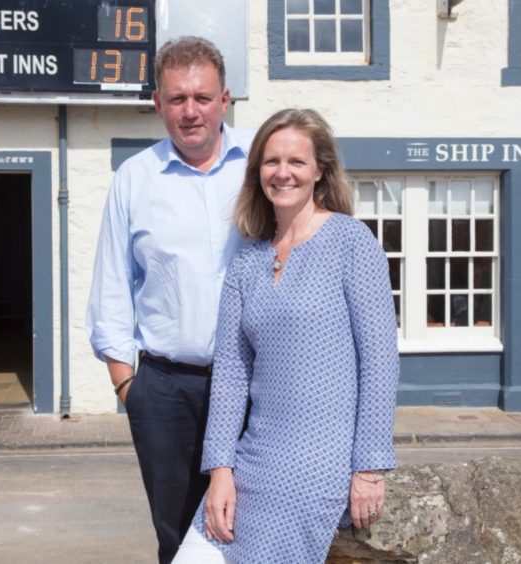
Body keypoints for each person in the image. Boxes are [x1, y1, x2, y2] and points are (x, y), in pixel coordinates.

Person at [172, 108, 400, 563]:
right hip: (251, 460)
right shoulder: (247, 262)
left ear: (320, 170)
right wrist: (220, 472)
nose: (283, 173)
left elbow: (380, 360)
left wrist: (370, 467)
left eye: (296, 161)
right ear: (257, 173)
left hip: (318, 466)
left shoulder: (352, 243)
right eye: (271, 161)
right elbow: (232, 377)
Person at [86, 36, 253, 564]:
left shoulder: (260, 166)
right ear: (158, 103)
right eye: (176, 99)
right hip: (164, 390)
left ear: (224, 99)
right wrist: (127, 386)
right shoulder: (134, 179)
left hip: (255, 383)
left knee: (256, 526)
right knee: (179, 537)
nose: (190, 111)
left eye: (201, 97)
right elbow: (112, 286)